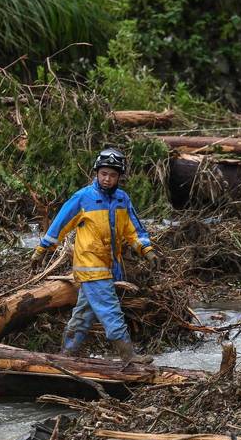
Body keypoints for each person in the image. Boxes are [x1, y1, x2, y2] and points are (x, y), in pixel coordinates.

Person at [30, 148, 160, 364]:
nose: (107, 179)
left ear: (119, 177)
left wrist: (147, 251)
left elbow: (133, 229)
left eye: (112, 175)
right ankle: (128, 355)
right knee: (111, 310)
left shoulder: (122, 199)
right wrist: (41, 250)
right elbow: (59, 225)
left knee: (84, 313)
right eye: (104, 174)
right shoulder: (83, 198)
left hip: (109, 266)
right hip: (90, 265)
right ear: (97, 173)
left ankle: (66, 355)